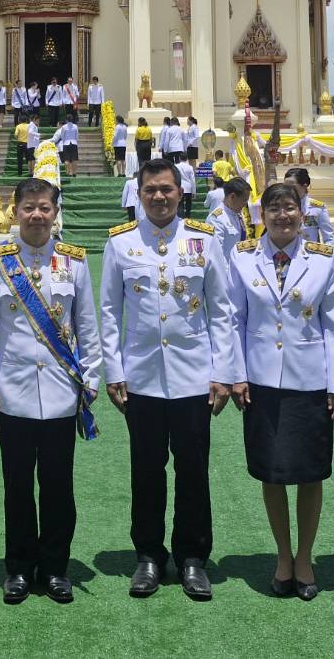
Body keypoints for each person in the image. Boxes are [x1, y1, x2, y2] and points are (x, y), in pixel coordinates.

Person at [100, 159, 235, 601]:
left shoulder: (203, 240)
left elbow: (222, 310)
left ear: (181, 193)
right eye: (150, 190)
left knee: (193, 469)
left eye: (166, 189)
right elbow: (108, 314)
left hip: (194, 376)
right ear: (138, 195)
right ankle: (149, 556)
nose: (159, 197)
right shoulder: (121, 244)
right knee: (146, 469)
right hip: (141, 378)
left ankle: (193, 558)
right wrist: (114, 370)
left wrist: (222, 373)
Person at [0, 179, 101, 605]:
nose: (36, 215)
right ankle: (18, 568)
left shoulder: (74, 262)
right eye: (28, 207)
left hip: (61, 391)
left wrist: (92, 378)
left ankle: (54, 568)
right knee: (16, 487)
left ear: (55, 212)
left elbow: (87, 326)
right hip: (12, 393)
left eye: (44, 208)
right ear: (15, 211)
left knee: (58, 488)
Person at [228, 182, 334, 600]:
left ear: (302, 213)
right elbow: (234, 321)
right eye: (274, 208)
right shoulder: (242, 258)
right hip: (261, 381)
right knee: (272, 473)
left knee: (311, 473)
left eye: (290, 208)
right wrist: (236, 374)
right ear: (262, 215)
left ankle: (305, 556)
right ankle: (282, 555)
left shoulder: (323, 260)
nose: (282, 216)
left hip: (310, 380)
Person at [209, 178, 252, 271]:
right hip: (227, 273)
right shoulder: (216, 218)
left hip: (239, 267)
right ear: (232, 197)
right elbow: (216, 254)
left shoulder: (236, 213)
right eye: (244, 200)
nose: (245, 204)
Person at [284, 168, 334, 244]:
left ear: (305, 185)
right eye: (285, 187)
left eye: (293, 187)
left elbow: (329, 238)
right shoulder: (280, 207)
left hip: (310, 254)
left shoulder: (317, 208)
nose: (289, 191)